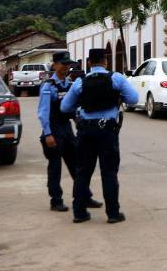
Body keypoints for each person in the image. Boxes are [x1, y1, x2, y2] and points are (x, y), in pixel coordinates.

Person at [61, 48, 138, 224]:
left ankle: (79, 213)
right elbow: (133, 98)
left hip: (86, 130)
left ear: (89, 63)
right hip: (107, 130)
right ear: (106, 61)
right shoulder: (116, 78)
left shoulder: (80, 82)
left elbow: (65, 107)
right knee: (109, 172)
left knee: (82, 172)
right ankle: (113, 213)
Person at [37, 51, 102, 213]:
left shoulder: (70, 85)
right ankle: (56, 200)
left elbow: (75, 109)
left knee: (77, 166)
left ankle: (84, 197)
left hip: (67, 129)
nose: (66, 67)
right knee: (55, 167)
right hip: (53, 129)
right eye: (63, 64)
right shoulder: (48, 86)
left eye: (68, 64)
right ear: (55, 65)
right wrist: (48, 134)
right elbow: (43, 112)